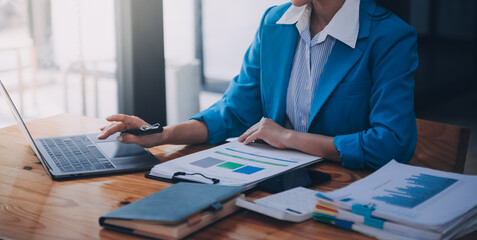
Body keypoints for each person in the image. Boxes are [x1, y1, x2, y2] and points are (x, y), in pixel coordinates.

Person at [98, 0, 418, 169]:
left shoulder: (390, 37)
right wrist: (161, 135)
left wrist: (288, 137)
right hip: (275, 182)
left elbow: (392, 144)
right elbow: (235, 112)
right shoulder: (274, 23)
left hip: (344, 187)